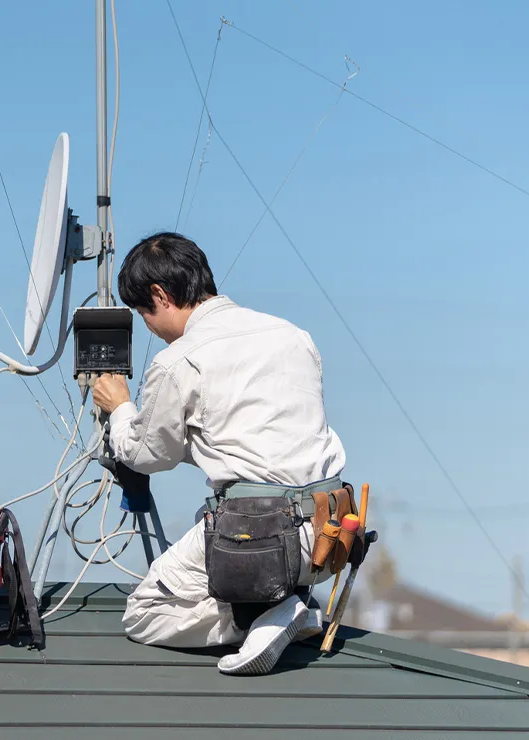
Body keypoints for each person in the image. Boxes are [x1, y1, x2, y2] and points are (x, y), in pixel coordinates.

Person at [91, 231, 347, 676]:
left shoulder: (180, 360)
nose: (149, 327)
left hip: (260, 536)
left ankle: (258, 616)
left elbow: (147, 453)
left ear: (160, 295)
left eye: (144, 313)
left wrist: (119, 407)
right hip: (329, 534)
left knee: (144, 611)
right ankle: (285, 607)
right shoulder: (292, 335)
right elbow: (257, 441)